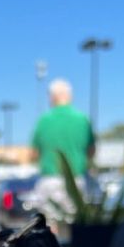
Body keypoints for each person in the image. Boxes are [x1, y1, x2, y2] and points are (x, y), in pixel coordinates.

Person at [31, 78, 95, 224]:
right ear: (69, 96)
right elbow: (91, 151)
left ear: (52, 97)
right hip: (76, 182)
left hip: (50, 180)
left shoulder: (44, 120)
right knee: (75, 225)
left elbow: (34, 153)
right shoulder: (82, 119)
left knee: (49, 228)